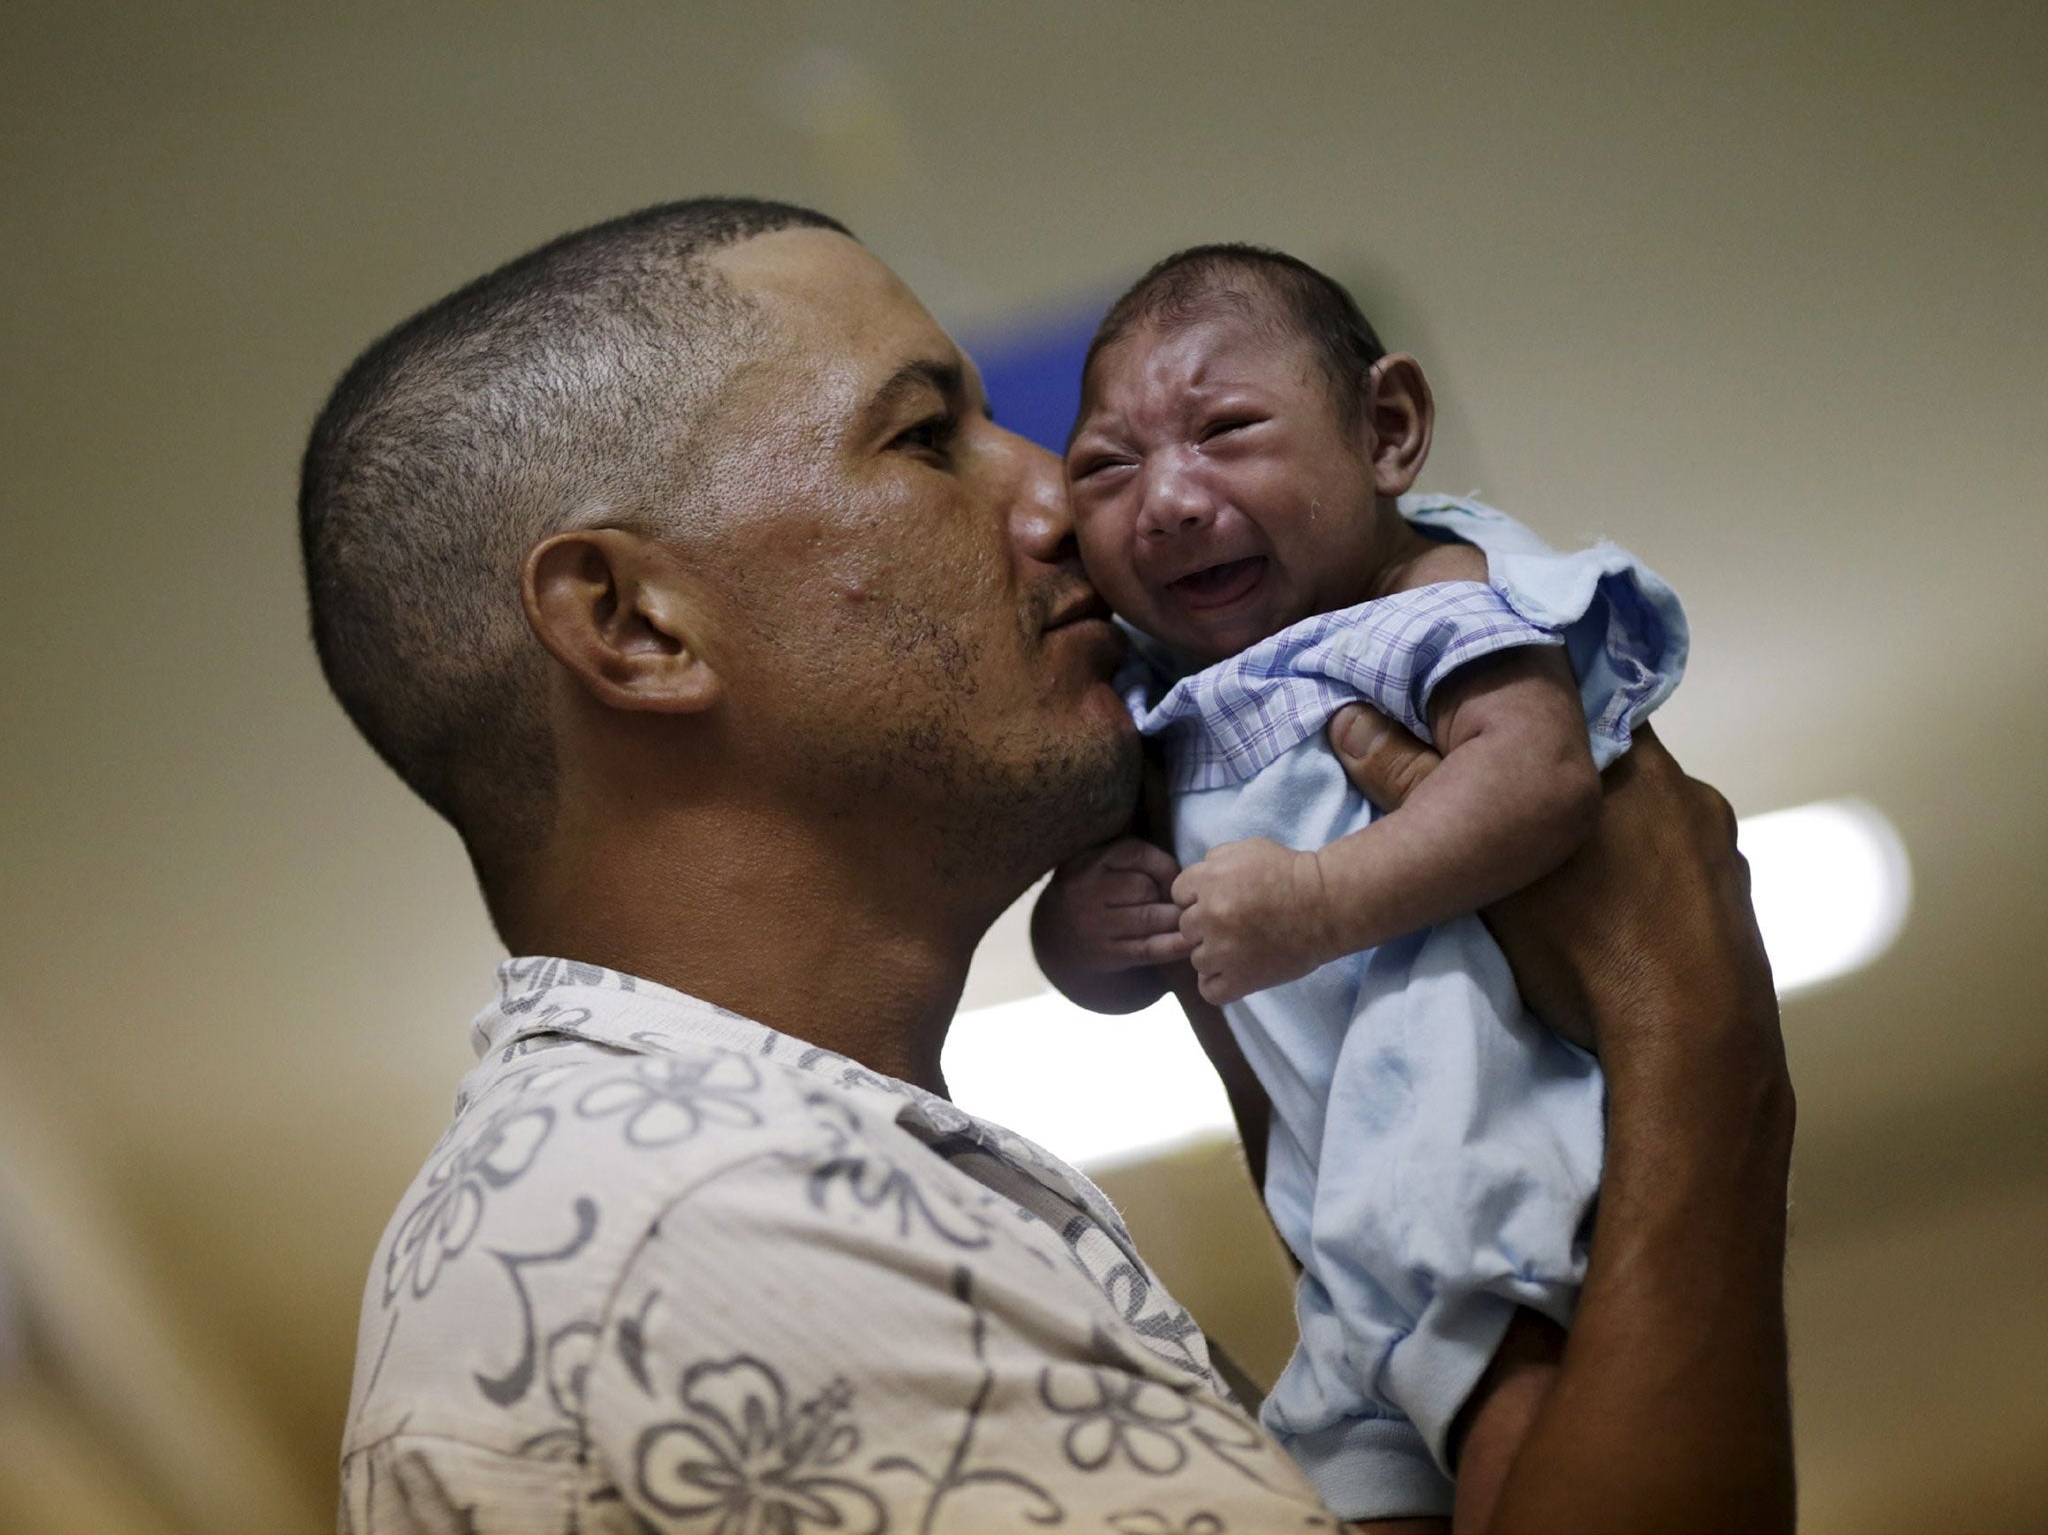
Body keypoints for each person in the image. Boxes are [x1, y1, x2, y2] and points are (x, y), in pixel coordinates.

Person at [300, 197, 1794, 1532]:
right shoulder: (701, 1226)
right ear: (636, 623)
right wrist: (1693, 1041)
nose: (1059, 504)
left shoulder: (751, 1183)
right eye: (926, 435)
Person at [1030, 245, 1687, 1518]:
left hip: (1478, 1157)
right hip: (1339, 1239)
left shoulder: (1421, 604)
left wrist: (1325, 901)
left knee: (1521, 1434)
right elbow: (1111, 984)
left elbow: (1536, 779)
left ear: (1386, 431)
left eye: (1224, 431)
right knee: (1347, 1484)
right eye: (1106, 467)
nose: (1164, 499)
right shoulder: (1144, 700)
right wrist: (1083, 927)